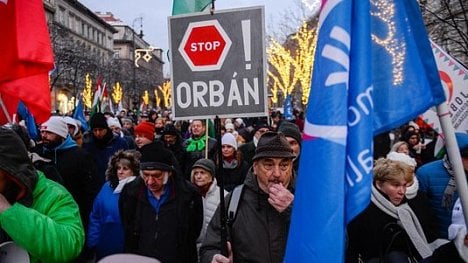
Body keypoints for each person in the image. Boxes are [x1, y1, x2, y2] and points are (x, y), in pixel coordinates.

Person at [200, 132, 295, 262]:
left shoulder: (307, 197)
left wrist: (293, 210)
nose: (277, 173)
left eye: (284, 165)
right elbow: (210, 246)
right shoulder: (235, 200)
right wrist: (213, 257)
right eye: (269, 165)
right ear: (255, 167)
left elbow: (326, 240)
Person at [347, 158, 462, 262]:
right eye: (395, 185)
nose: (402, 191)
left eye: (404, 185)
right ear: (379, 184)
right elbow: (353, 248)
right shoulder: (362, 208)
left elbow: (431, 231)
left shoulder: (416, 201)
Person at [0, 127, 84, 262]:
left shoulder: (55, 195)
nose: (44, 135)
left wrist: (7, 210)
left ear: (10, 170)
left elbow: (69, 245)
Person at [119, 142, 203, 262]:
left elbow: (193, 231)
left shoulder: (189, 195)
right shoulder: (130, 193)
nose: (149, 181)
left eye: (156, 176)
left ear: (168, 173)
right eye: (146, 175)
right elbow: (128, 228)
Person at [37, 116, 100, 233]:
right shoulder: (39, 153)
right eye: (42, 131)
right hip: (45, 212)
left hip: (73, 214)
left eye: (49, 132)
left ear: (61, 134)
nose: (44, 135)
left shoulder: (80, 156)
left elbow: (90, 189)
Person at [88, 150, 139, 260]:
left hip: (127, 247)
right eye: (118, 168)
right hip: (104, 243)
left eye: (125, 169)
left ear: (133, 171)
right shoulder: (107, 186)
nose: (120, 172)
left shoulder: (138, 191)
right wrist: (93, 240)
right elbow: (95, 215)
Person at [417, 132, 468, 238]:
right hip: (437, 240)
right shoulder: (426, 174)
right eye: (466, 157)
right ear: (453, 155)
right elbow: (420, 213)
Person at [190, 159, 227, 252]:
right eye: (196, 173)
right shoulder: (188, 195)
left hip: (214, 248)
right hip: (193, 248)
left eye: (202, 173)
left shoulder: (223, 195)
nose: (198, 176)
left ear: (211, 175)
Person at [83, 113, 130, 183]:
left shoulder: (119, 142)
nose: (98, 133)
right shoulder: (88, 144)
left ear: (106, 128)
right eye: (95, 130)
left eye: (100, 130)